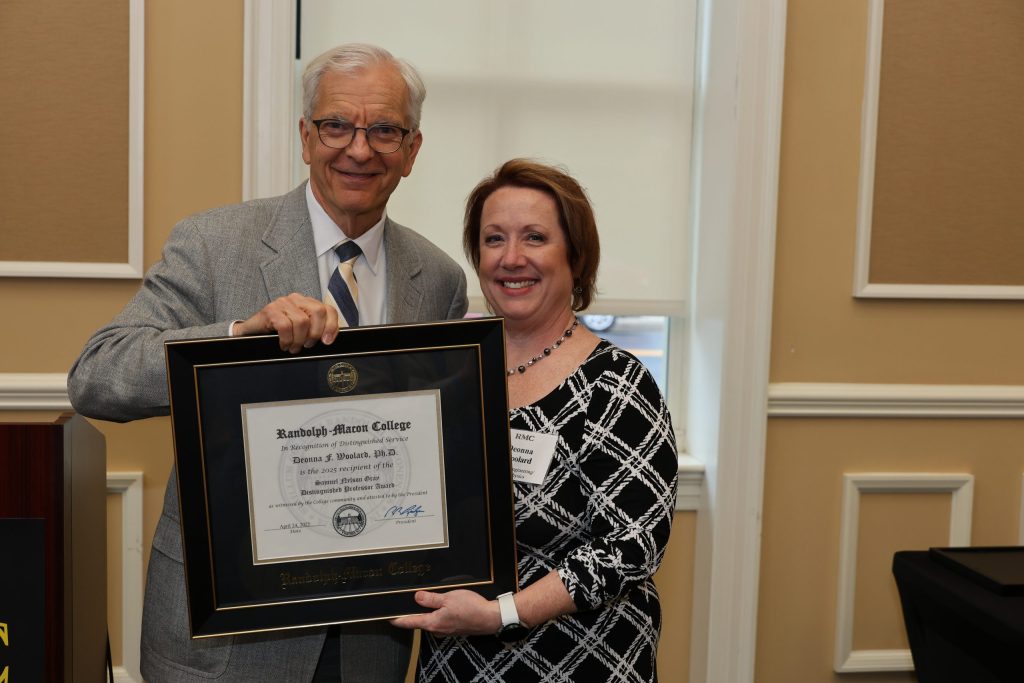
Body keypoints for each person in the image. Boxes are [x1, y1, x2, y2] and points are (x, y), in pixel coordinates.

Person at [67, 43, 467, 682]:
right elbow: (96, 376)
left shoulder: (438, 278)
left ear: (412, 151)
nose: (359, 150)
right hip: (227, 637)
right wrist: (234, 340)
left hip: (368, 636)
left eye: (384, 130)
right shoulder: (213, 243)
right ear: (306, 137)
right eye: (337, 125)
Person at [392, 159, 678, 682]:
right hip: (456, 662)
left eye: (535, 237)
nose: (512, 258)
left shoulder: (616, 384)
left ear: (576, 256)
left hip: (582, 660)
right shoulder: (450, 374)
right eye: (494, 239)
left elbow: (634, 545)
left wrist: (504, 613)